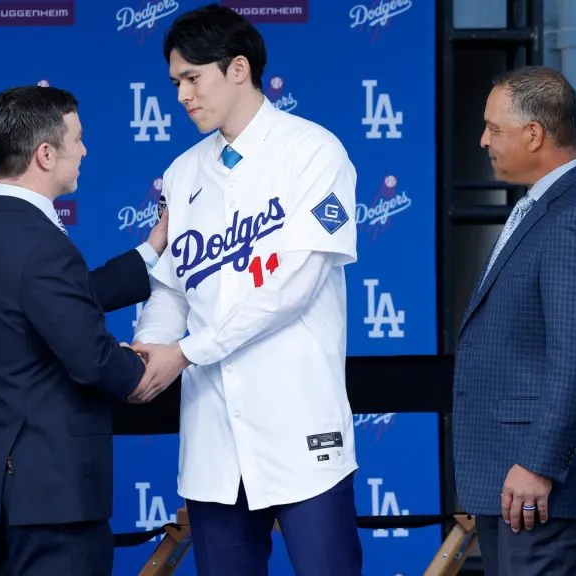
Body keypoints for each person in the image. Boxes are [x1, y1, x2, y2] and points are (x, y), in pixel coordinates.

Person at [129, 4, 363, 575]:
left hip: (301, 424)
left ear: (238, 69)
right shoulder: (183, 172)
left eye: (193, 78)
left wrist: (184, 352)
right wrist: (146, 354)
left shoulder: (313, 152)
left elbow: (294, 287)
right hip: (214, 436)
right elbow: (170, 290)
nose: (182, 95)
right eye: (175, 82)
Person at [0, 84, 168, 576]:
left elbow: (50, 303)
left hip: (0, 487)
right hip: (51, 494)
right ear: (46, 154)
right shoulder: (41, 245)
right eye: (78, 138)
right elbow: (92, 360)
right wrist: (152, 363)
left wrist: (150, 251)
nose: (85, 150)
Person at [453, 65, 576, 575]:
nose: (483, 140)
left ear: (535, 134)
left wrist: (538, 464)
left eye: (494, 128)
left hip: (540, 485)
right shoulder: (543, 206)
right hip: (514, 482)